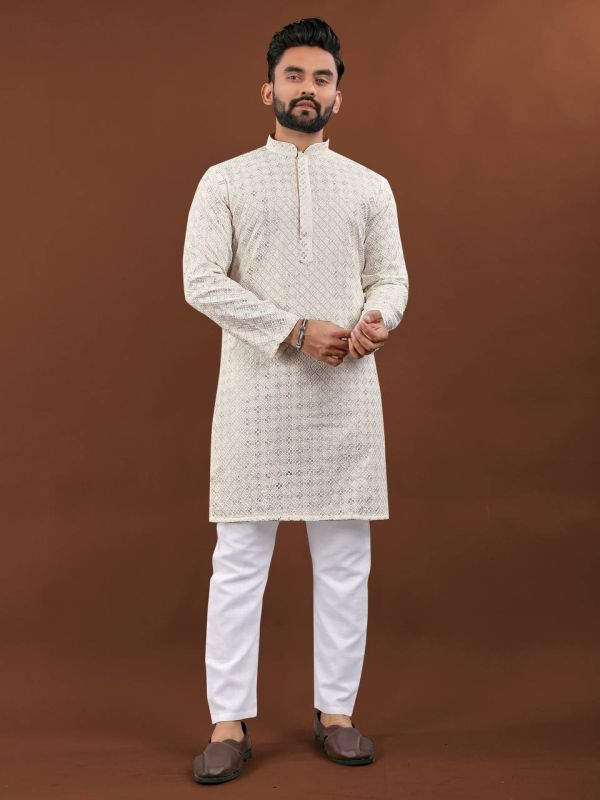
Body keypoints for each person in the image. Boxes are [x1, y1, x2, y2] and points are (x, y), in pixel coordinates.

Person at [182, 17, 409, 784]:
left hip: (344, 393)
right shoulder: (226, 181)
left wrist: (378, 318)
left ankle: (336, 713)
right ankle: (228, 721)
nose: (307, 89)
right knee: (239, 562)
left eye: (321, 78)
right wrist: (290, 330)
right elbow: (201, 281)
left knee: (345, 561)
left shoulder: (370, 187)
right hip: (255, 396)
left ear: (338, 96)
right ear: (268, 89)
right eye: (294, 75)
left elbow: (390, 277)